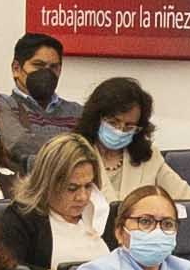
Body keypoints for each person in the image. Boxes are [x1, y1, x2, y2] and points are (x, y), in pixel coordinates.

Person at [9, 131, 113, 270]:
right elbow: (10, 269)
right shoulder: (21, 217)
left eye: (88, 186)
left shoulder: (103, 212)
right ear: (47, 183)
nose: (82, 197)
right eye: (72, 188)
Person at [70, 75, 174, 218]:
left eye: (129, 126)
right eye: (113, 122)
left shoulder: (149, 157)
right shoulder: (72, 153)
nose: (120, 130)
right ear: (96, 118)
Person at [0, 33, 77, 165]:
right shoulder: (0, 105)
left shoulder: (77, 112)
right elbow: (19, 143)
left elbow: (87, 151)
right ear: (16, 69)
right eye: (38, 65)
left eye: (53, 67)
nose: (47, 73)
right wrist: (71, 153)